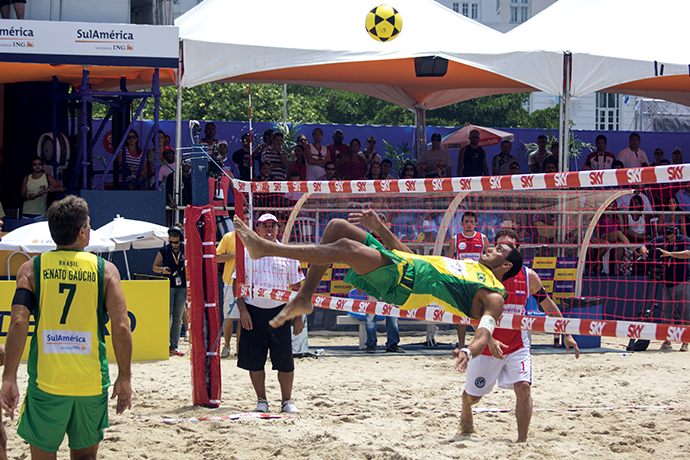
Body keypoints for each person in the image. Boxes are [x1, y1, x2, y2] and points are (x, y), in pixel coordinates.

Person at [232, 210, 523, 372]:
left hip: (404, 285)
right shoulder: (469, 265)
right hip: (404, 265)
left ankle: (266, 248)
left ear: (506, 265)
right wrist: (380, 227)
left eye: (498, 249)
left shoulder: (493, 294)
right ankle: (305, 298)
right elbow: (413, 257)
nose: (490, 247)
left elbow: (484, 332)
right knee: (336, 227)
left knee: (344, 248)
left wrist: (471, 351)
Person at [1, 196, 132, 459]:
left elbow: (18, 322)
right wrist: (125, 377)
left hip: (47, 382)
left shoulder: (31, 269)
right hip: (91, 383)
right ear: (82, 231)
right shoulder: (105, 271)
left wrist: (9, 377)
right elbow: (121, 327)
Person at [460, 228, 579, 443]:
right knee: (473, 397)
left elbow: (548, 305)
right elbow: (470, 315)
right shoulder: (479, 275)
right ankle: (465, 412)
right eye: (498, 246)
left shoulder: (528, 276)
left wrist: (566, 334)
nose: (498, 250)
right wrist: (490, 338)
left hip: (517, 345)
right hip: (487, 347)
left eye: (507, 247)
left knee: (524, 389)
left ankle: (522, 442)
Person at [233, 213, 305, 414]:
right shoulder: (247, 252)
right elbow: (236, 283)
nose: (269, 230)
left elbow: (298, 286)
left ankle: (287, 401)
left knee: (285, 361)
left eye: (273, 226)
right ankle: (261, 400)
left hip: (280, 313)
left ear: (278, 230)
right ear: (258, 229)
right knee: (255, 361)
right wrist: (243, 310)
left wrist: (298, 315)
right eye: (265, 226)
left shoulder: (287, 252)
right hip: (253, 313)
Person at [638, 226, 690, 352]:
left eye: (672, 237)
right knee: (667, 314)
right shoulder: (661, 240)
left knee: (686, 313)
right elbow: (642, 246)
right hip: (667, 282)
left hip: (684, 281)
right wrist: (645, 252)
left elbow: (688, 254)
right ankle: (667, 341)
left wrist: (669, 254)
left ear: (676, 234)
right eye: (668, 237)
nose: (670, 239)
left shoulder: (684, 240)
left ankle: (685, 342)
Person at [450, 211, 489, 347]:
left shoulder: (482, 239)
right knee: (461, 313)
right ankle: (461, 344)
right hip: (461, 282)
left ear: (476, 224)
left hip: (477, 282)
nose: (469, 224)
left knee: (479, 313)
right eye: (466, 222)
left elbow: (487, 262)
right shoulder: (455, 239)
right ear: (461, 224)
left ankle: (482, 342)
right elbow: (449, 262)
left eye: (471, 222)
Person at [216, 208, 251, 358]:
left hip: (248, 283)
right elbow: (216, 257)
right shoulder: (229, 237)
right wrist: (234, 256)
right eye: (245, 218)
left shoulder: (253, 237)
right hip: (230, 282)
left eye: (248, 218)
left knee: (244, 317)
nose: (247, 221)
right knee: (229, 316)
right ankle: (226, 345)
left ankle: (240, 348)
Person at [152, 226, 187, 356]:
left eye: (176, 242)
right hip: (169, 284)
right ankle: (163, 344)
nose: (173, 244)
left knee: (178, 317)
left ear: (180, 240)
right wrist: (162, 270)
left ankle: (174, 345)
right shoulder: (164, 250)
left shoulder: (185, 248)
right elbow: (154, 267)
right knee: (167, 315)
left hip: (182, 286)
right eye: (171, 242)